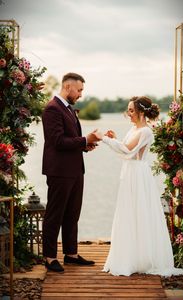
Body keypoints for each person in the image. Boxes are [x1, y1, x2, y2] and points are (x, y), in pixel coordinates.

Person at [95, 96, 183, 277]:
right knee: (128, 212)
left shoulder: (146, 132)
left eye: (131, 110)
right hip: (130, 172)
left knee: (139, 211)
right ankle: (131, 256)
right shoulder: (134, 128)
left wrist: (104, 139)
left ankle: (142, 258)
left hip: (138, 175)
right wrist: (115, 138)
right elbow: (126, 148)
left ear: (141, 112)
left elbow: (127, 151)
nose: (128, 114)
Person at [42, 72, 100, 272]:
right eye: (80, 90)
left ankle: (71, 254)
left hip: (75, 170)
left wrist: (85, 146)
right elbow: (57, 141)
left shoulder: (68, 109)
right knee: (55, 214)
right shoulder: (52, 109)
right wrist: (85, 139)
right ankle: (50, 257)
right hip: (59, 171)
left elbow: (70, 140)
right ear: (68, 87)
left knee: (72, 213)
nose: (81, 94)